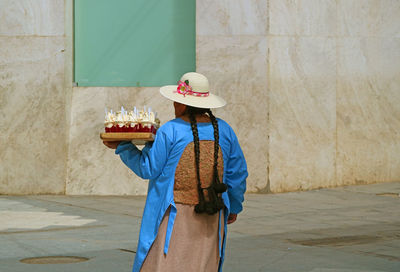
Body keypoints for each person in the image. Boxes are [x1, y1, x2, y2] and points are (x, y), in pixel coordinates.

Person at [103, 72, 248, 272]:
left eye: (176, 102)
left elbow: (148, 168)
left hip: (173, 215)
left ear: (182, 104)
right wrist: (234, 207)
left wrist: (124, 147)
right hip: (212, 212)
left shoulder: (170, 130)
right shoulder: (224, 130)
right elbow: (237, 174)